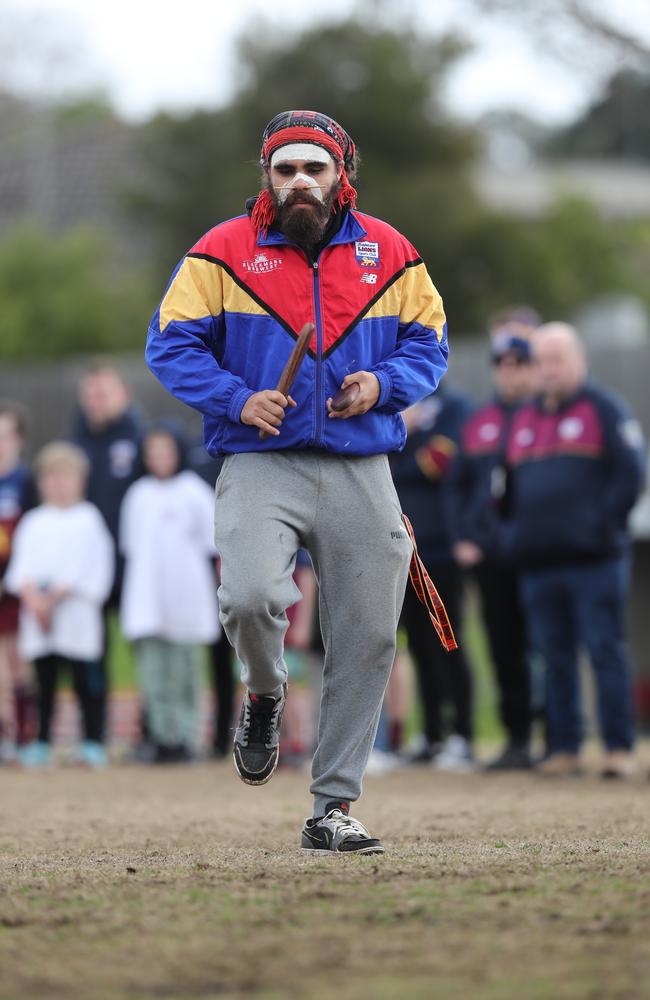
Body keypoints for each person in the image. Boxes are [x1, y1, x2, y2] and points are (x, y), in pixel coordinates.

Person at [146, 109, 450, 854]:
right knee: (249, 598)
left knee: (370, 634)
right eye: (285, 171)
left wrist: (380, 385)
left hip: (360, 460)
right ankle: (266, 691)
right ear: (268, 179)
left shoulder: (392, 252)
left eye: (315, 169)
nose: (300, 183)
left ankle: (333, 806)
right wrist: (235, 398)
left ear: (342, 175)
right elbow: (169, 342)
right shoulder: (221, 252)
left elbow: (431, 341)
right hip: (259, 456)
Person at [501, 323, 645, 778]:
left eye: (558, 359)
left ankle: (619, 748)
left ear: (579, 361)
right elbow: (502, 486)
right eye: (542, 361)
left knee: (604, 650)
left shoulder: (605, 409)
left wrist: (600, 525)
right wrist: (513, 532)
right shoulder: (523, 418)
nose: (549, 370)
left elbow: (631, 475)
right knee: (553, 656)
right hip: (539, 562)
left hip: (595, 560)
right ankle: (564, 747)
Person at [451, 322, 538, 769]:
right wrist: (464, 536)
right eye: (502, 364)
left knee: (542, 646)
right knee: (502, 646)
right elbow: (461, 486)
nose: (510, 372)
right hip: (488, 554)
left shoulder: (546, 416)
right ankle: (516, 738)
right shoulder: (479, 421)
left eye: (519, 362)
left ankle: (562, 737)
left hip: (538, 552)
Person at [4, 442, 114, 767]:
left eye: (65, 477)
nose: (58, 484)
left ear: (80, 480)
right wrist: (34, 599)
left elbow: (95, 570)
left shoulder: (89, 519)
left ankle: (93, 741)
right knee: (45, 682)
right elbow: (19, 572)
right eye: (51, 477)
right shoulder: (33, 522)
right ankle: (41, 742)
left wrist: (57, 595)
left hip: (76, 617)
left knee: (86, 682)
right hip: (39, 621)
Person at [119, 425, 219, 763]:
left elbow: (211, 543)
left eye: (165, 451)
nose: (159, 459)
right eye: (152, 452)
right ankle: (161, 737)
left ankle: (187, 738)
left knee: (186, 674)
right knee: (154, 675)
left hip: (186, 597)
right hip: (148, 597)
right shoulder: (138, 495)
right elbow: (132, 546)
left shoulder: (194, 492)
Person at [392, 386, 475, 771]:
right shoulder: (391, 399)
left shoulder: (455, 406)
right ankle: (431, 734)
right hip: (400, 547)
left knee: (450, 640)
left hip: (440, 548)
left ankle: (464, 734)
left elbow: (442, 462)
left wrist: (399, 435)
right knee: (419, 647)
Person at [70, 360, 144, 742]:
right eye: (90, 395)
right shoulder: (74, 445)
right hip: (88, 570)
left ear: (123, 395)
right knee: (90, 650)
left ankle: (153, 734)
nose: (95, 402)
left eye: (102, 394)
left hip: (132, 565)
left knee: (143, 648)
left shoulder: (141, 442)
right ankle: (94, 736)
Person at [0, 401, 38, 761]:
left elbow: (33, 536)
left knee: (16, 658)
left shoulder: (26, 483)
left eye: (6, 436)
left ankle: (26, 732)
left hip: (15, 585)